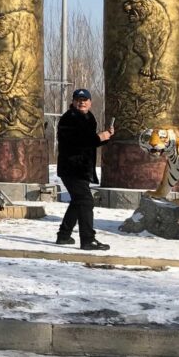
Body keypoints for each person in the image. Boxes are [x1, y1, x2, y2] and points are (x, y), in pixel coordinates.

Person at [55, 88, 112, 250]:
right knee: (86, 201)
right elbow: (77, 142)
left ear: (90, 102)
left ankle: (63, 236)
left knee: (78, 201)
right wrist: (98, 137)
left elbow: (89, 143)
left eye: (85, 99)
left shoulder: (89, 117)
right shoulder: (69, 119)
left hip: (83, 169)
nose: (82, 102)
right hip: (72, 168)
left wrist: (105, 137)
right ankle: (88, 240)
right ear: (73, 102)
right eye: (78, 99)